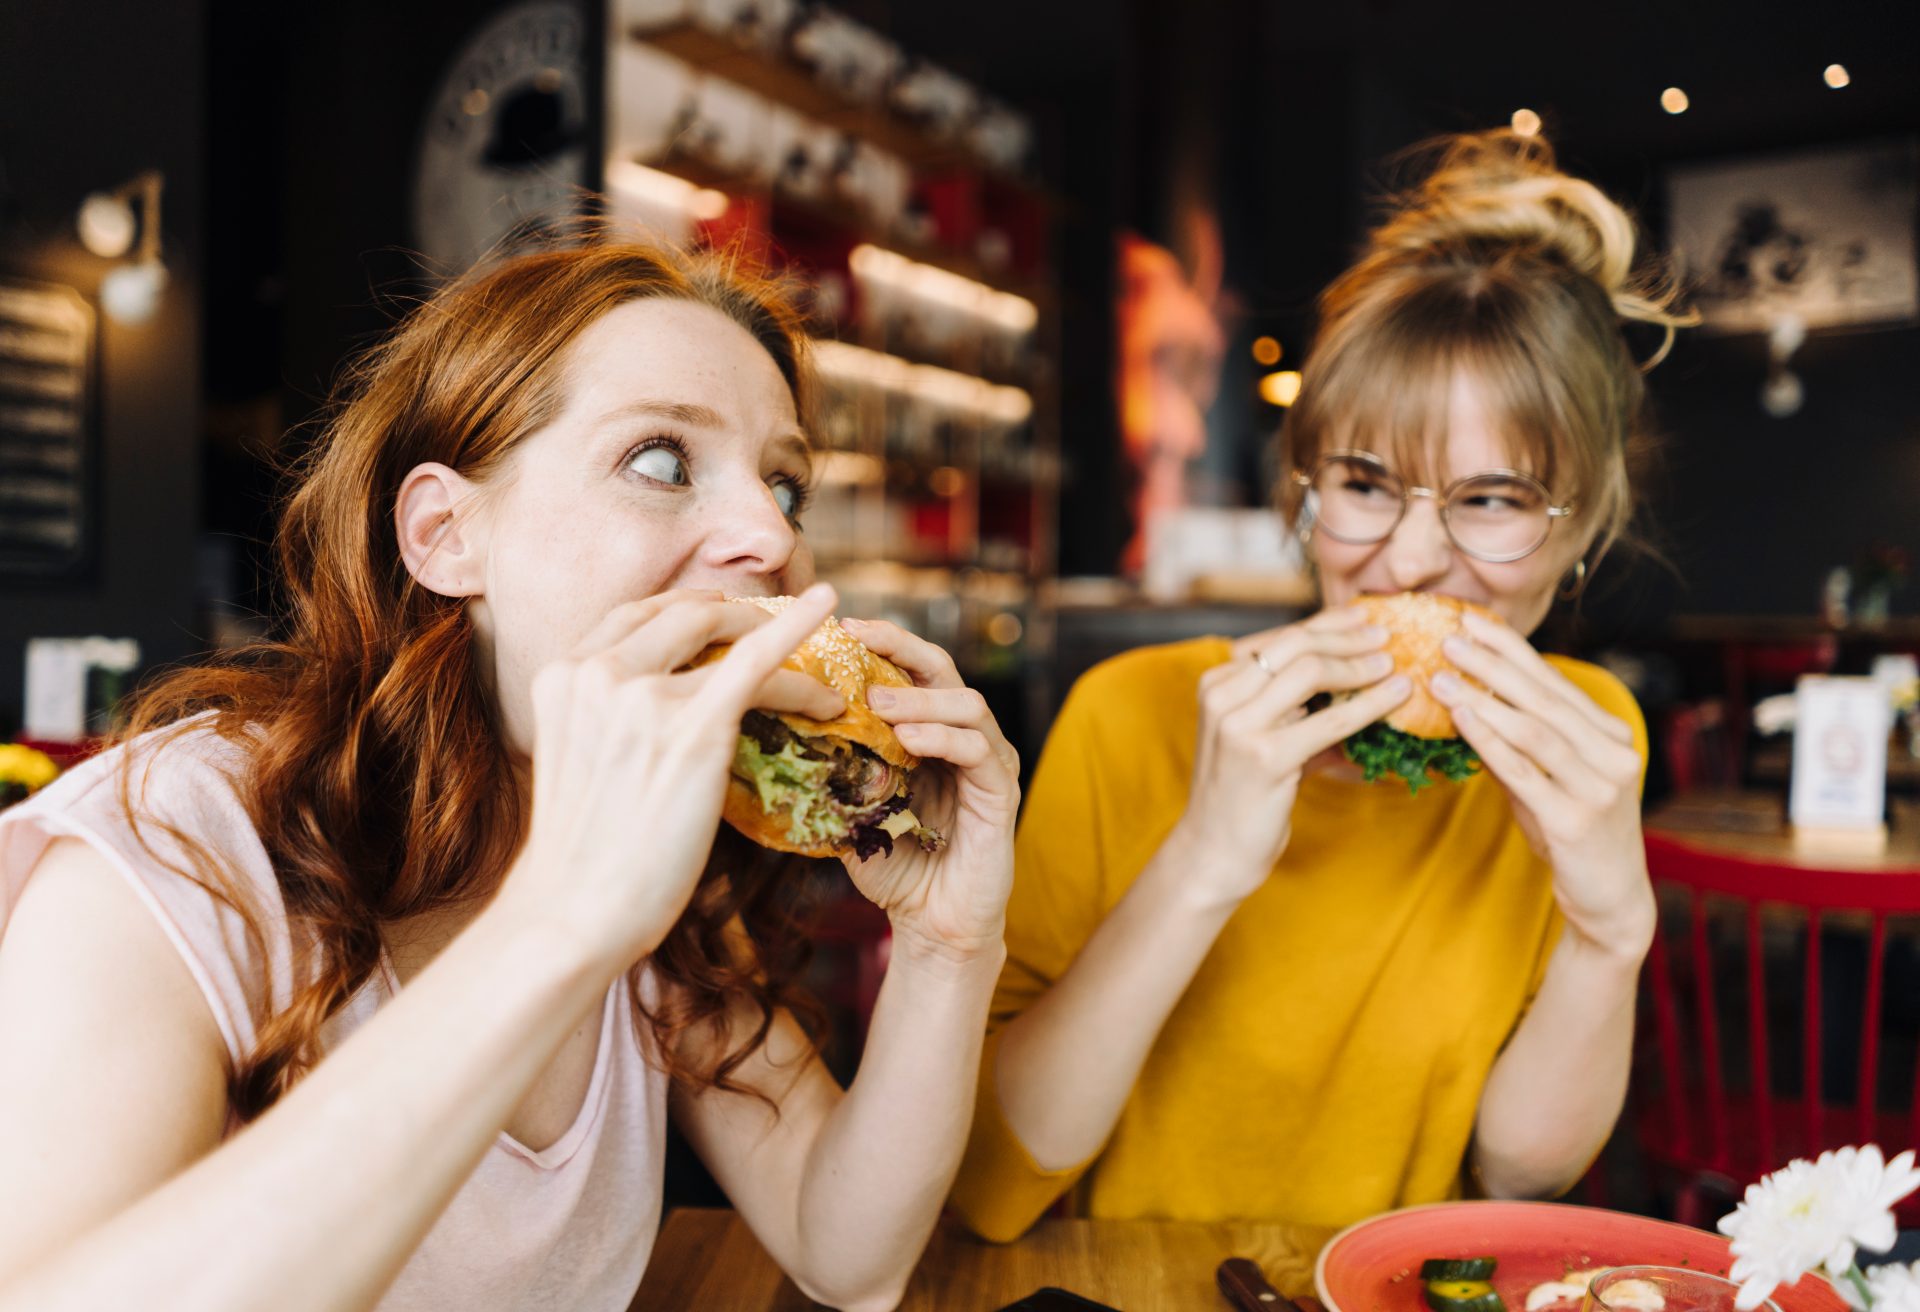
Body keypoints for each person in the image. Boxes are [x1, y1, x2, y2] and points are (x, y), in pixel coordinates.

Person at [0, 240, 1020, 1311]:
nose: (770, 535)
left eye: (784, 485)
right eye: (663, 460)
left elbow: (846, 1247)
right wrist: (559, 922)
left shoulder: (659, 876)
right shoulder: (172, 846)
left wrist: (951, 946)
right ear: (445, 536)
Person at [951, 130, 1692, 1289]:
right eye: (1362, 483)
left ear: (1584, 528)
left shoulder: (1586, 741)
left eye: (1489, 497)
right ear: (1302, 491)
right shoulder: (1133, 711)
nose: (1407, 559)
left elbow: (1517, 1177)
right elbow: (991, 1179)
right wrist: (1204, 858)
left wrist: (1611, 934)